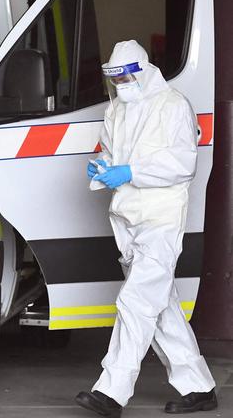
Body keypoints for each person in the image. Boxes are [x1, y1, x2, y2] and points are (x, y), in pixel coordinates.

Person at [76, 40, 217, 417]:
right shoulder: (116, 110)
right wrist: (102, 168)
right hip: (126, 216)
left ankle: (112, 391)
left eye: (125, 76)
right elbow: (110, 152)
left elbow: (182, 162)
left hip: (161, 218)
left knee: (136, 301)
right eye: (115, 77)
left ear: (142, 71)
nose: (120, 83)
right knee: (161, 307)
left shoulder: (173, 106)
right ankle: (199, 386)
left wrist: (132, 172)